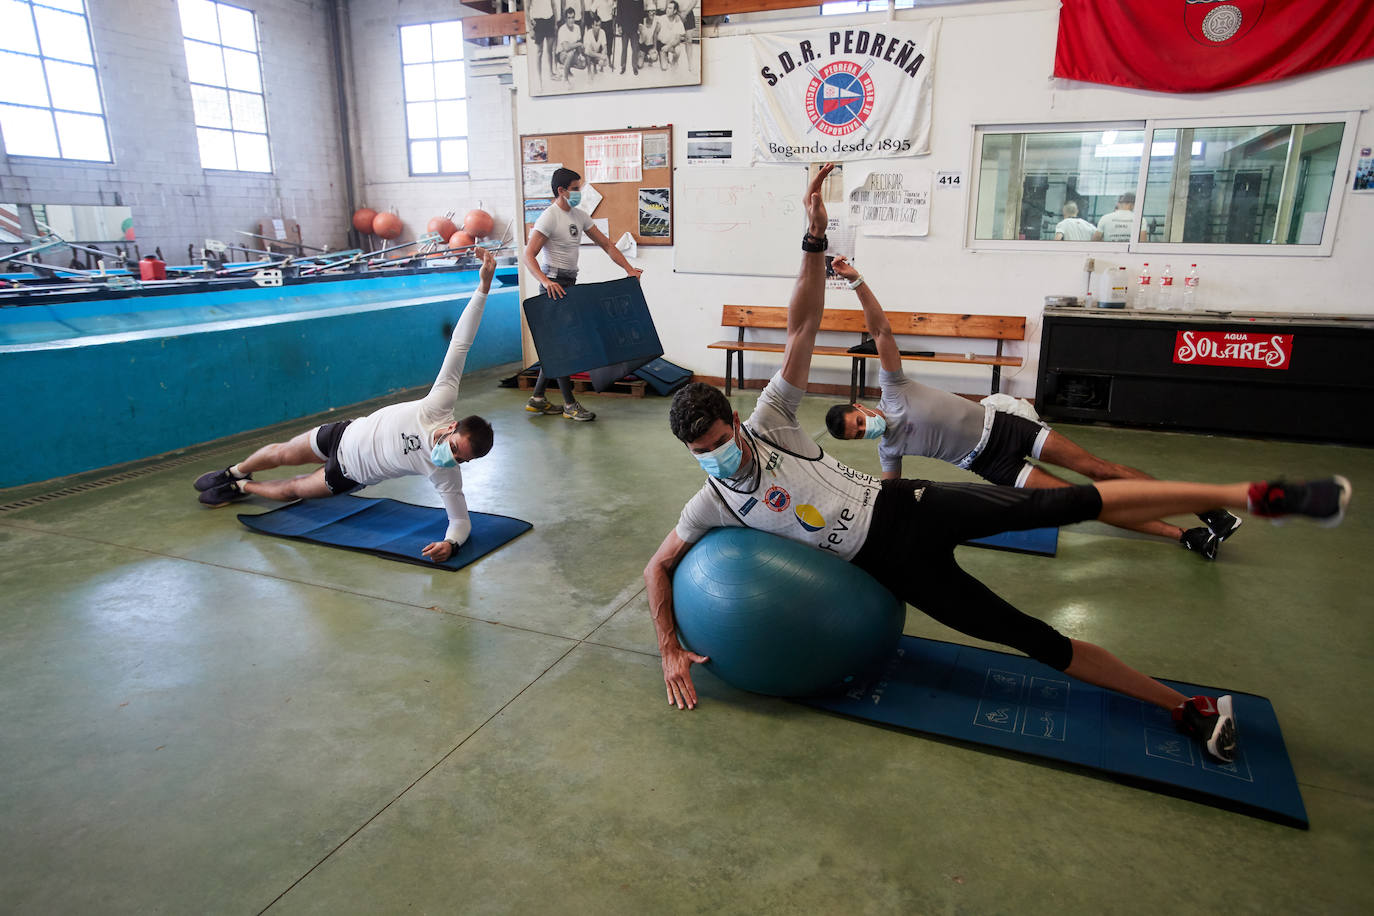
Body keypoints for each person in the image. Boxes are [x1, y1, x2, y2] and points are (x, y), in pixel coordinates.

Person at [642, 164, 1353, 764]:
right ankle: (1189, 709)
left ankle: (1251, 493)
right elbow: (659, 566)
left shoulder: (769, 422)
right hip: (899, 572)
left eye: (718, 442)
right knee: (1033, 639)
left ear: (734, 421)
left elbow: (802, 324)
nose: (716, 459)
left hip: (913, 507)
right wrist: (671, 646)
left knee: (1068, 503)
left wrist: (814, 234)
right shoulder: (711, 505)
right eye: (701, 455)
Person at [821, 255, 1241, 560]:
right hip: (992, 466)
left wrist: (858, 282)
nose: (866, 430)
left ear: (862, 406)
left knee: (1099, 470)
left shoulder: (893, 387)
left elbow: (880, 330)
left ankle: (1206, 509)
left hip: (1006, 429)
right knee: (1086, 500)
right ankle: (1184, 534)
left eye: (860, 422)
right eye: (859, 434)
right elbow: (892, 495)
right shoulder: (887, 451)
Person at [192, 249, 499, 565]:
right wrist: (483, 287)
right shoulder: (439, 404)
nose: (452, 458)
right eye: (454, 448)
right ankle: (233, 470)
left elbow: (460, 521)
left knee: (292, 489)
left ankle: (241, 486)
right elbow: (460, 345)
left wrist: (451, 543)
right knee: (280, 452)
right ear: (452, 428)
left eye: (462, 459)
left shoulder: (444, 473)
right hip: (341, 434)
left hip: (348, 473)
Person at [521, 167, 645, 422]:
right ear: (561, 190)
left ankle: (537, 398)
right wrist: (545, 282)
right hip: (553, 287)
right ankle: (569, 404)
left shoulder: (579, 216)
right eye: (576, 188)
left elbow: (607, 245)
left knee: (557, 346)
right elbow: (528, 255)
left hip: (570, 285)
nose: (579, 192)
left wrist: (629, 269)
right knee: (564, 347)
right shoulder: (549, 217)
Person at [527, 0, 557, 86]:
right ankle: (539, 79)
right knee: (539, 52)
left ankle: (551, 73)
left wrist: (555, 23)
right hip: (538, 22)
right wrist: (530, 29)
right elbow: (527, 10)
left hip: (550, 20)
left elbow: (553, 5)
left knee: (550, 50)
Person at [555, 7, 585, 82]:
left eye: (573, 17)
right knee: (570, 53)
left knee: (583, 65)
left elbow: (578, 44)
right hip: (561, 54)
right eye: (569, 18)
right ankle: (565, 79)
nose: (571, 20)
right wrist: (578, 44)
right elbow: (566, 47)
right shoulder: (562, 29)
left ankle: (567, 67)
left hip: (573, 52)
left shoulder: (577, 28)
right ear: (565, 19)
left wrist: (581, 54)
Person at [656, 1, 689, 70]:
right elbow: (655, 34)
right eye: (667, 8)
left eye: (670, 8)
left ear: (675, 11)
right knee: (664, 68)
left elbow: (678, 39)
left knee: (678, 50)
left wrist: (668, 46)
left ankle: (674, 61)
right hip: (661, 45)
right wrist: (655, 48)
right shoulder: (661, 19)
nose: (667, 10)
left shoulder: (678, 21)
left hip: (671, 45)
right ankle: (664, 56)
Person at [615, 0, 645, 74]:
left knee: (635, 48)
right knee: (624, 48)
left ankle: (634, 66)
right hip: (624, 26)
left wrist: (640, 24)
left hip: (635, 27)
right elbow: (619, 11)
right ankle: (623, 66)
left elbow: (641, 11)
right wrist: (619, 25)